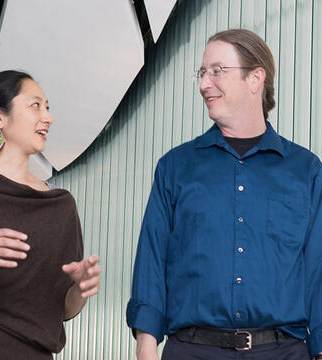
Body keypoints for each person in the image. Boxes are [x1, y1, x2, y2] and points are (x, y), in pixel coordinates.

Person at [126, 29, 322, 360]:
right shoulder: (175, 167)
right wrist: (145, 346)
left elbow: (318, 267)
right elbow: (152, 259)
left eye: (217, 71)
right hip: (191, 350)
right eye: (202, 73)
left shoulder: (306, 170)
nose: (204, 84)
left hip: (284, 352)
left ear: (255, 78)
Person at [0, 70, 101, 360]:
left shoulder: (60, 206)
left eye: (48, 107)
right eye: (35, 105)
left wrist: (80, 289)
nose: (47, 117)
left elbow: (64, 309)